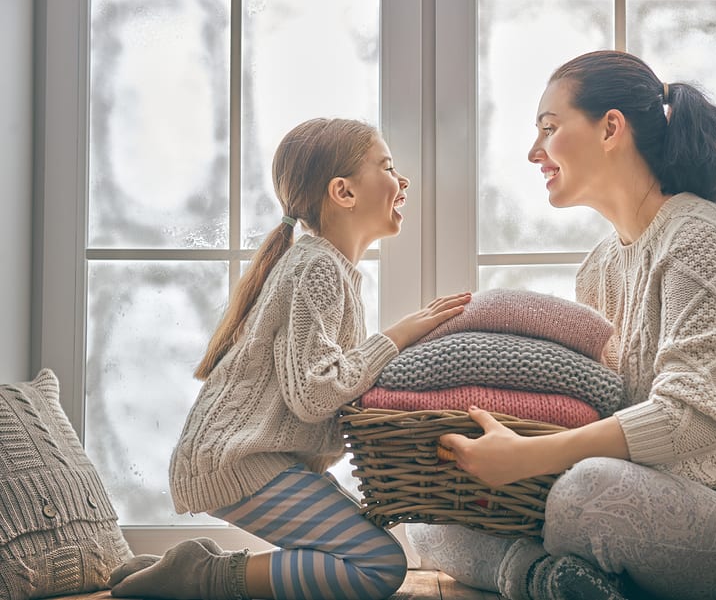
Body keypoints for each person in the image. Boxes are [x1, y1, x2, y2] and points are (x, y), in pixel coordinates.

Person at [407, 50, 716, 600]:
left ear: (610, 129)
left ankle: (542, 567)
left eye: (549, 129)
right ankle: (547, 580)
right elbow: (605, 406)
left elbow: (688, 417)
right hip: (650, 503)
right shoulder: (601, 266)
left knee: (583, 494)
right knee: (424, 517)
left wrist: (530, 458)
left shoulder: (699, 237)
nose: (535, 152)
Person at [107, 117, 471, 600]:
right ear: (343, 192)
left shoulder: (326, 267)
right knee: (379, 565)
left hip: (257, 459)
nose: (402, 180)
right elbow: (314, 393)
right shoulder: (317, 266)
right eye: (387, 166)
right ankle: (202, 577)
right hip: (239, 461)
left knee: (371, 552)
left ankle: (171, 570)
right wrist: (398, 336)